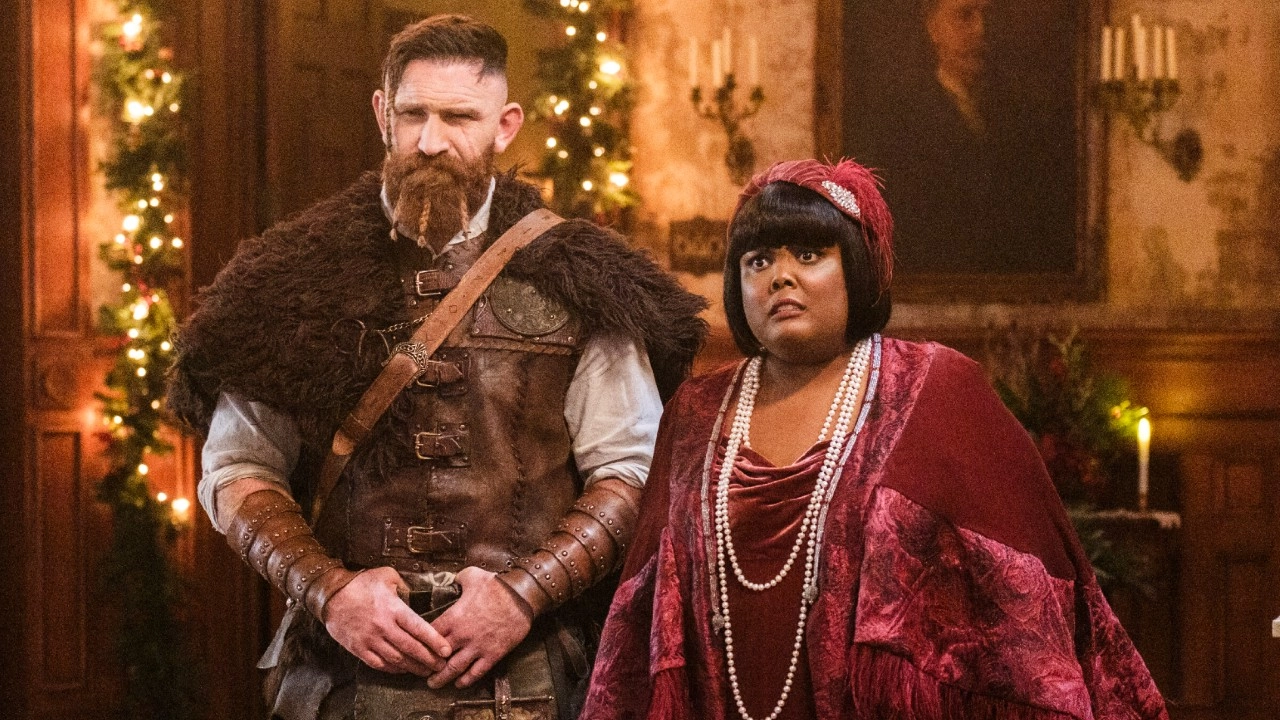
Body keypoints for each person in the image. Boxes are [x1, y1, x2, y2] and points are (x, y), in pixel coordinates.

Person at [167, 14, 706, 720]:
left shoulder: (580, 280)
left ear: (505, 126)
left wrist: (523, 593)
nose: (430, 141)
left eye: (459, 118)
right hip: (342, 678)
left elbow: (631, 469)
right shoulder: (289, 279)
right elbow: (237, 469)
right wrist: (331, 592)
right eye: (413, 114)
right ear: (381, 115)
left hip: (530, 679)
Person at [581, 159, 1168, 719]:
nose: (780, 275)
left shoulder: (937, 387)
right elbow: (643, 612)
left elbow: (1028, 602)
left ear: (856, 268)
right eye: (757, 261)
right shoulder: (695, 411)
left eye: (808, 254)